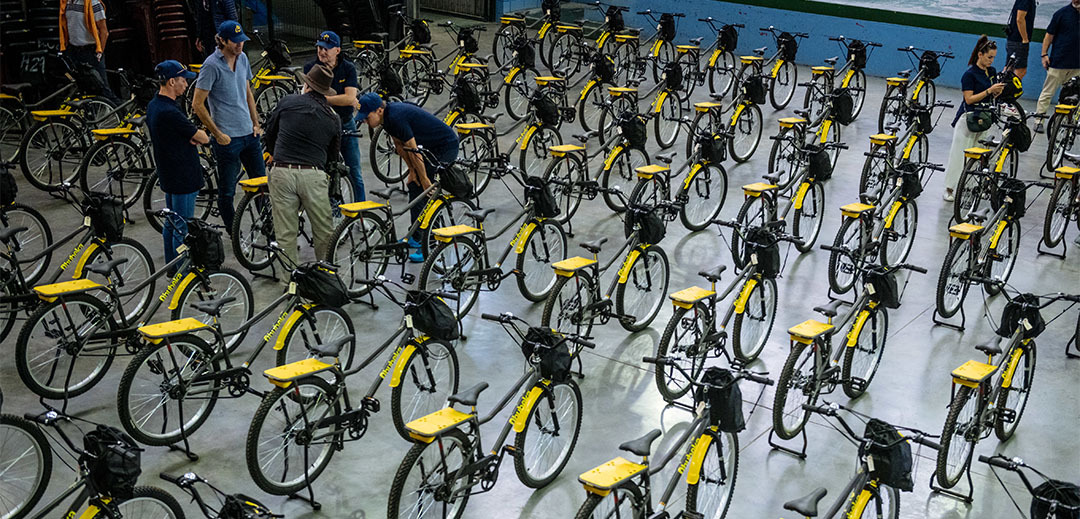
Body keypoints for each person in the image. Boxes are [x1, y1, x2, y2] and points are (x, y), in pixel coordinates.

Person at [356, 93, 459, 263]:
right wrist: (412, 171)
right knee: (414, 184)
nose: (365, 122)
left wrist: (426, 179)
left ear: (379, 110)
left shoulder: (396, 117)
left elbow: (413, 149)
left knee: (426, 190)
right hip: (427, 147)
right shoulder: (386, 120)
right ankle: (416, 235)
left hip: (445, 146)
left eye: (367, 117)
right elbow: (400, 145)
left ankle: (432, 243)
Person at [263, 64, 341, 268]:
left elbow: (270, 132)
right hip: (313, 175)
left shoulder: (287, 102)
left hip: (281, 171)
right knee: (324, 233)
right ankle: (325, 277)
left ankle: (289, 286)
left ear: (306, 85)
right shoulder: (333, 117)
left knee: (285, 235)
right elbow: (333, 158)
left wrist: (274, 153)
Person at [192, 20, 266, 231]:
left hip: (249, 134)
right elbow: (198, 104)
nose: (239, 45)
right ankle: (234, 233)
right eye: (234, 42)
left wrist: (255, 122)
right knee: (227, 192)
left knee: (261, 184)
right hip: (227, 139)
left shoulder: (242, 59)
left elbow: (247, 92)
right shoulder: (211, 65)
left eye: (241, 41)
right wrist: (217, 133)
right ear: (222, 41)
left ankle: (269, 228)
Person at [146, 60, 209, 268]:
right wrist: (198, 136)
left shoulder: (154, 105)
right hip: (183, 175)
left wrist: (190, 136)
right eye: (183, 80)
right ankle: (182, 270)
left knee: (171, 223)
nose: (186, 84)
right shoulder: (170, 112)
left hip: (168, 172)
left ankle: (172, 266)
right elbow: (202, 137)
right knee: (182, 226)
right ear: (172, 82)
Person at [303, 31, 365, 202]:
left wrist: (323, 99)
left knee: (354, 171)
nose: (322, 52)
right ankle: (335, 216)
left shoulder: (348, 68)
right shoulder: (310, 68)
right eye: (319, 48)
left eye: (326, 49)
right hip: (321, 127)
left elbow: (350, 98)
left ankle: (361, 215)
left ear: (337, 50)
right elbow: (307, 97)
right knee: (326, 173)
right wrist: (338, 100)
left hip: (345, 124)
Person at [943, 35, 1005, 202]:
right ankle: (950, 188)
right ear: (980, 54)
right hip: (968, 118)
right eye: (989, 57)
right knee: (958, 155)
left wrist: (996, 92)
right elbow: (969, 99)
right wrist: (989, 91)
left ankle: (969, 186)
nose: (992, 60)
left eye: (994, 57)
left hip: (984, 118)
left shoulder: (991, 72)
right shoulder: (969, 75)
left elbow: (992, 94)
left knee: (977, 155)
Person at [1034, 0, 1080, 132]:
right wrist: (1044, 55)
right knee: (1047, 93)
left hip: (1077, 66)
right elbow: (1048, 36)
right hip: (1059, 62)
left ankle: (1067, 122)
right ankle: (1039, 120)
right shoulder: (1061, 14)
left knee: (1073, 96)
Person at [59, 0, 116, 100]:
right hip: (74, 51)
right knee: (82, 88)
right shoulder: (67, 3)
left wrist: (100, 52)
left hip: (91, 51)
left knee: (103, 88)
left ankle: (121, 112)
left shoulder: (94, 3)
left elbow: (104, 31)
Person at [1005, 0, 1036, 79]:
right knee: (1020, 70)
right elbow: (1020, 19)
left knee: (1009, 68)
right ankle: (1012, 90)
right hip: (1019, 41)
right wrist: (1025, 39)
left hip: (1013, 38)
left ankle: (1000, 89)